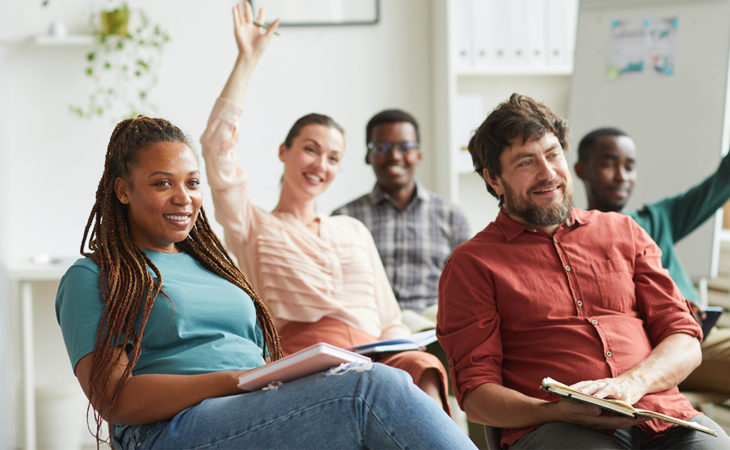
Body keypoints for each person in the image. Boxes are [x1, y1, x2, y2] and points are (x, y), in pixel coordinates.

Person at [54, 113, 475, 448]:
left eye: (192, 183)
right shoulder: (95, 276)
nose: (184, 197)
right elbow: (114, 398)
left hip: (252, 405)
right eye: (162, 183)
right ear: (123, 191)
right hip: (169, 430)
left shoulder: (215, 266)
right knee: (370, 390)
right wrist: (232, 380)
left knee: (395, 381)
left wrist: (274, 376)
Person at [436, 93, 730, 449]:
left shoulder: (624, 231)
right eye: (526, 163)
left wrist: (633, 383)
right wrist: (553, 411)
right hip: (557, 430)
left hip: (663, 417)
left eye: (552, 154)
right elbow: (476, 394)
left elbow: (684, 340)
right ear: (494, 180)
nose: (548, 174)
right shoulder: (471, 265)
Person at [200, 3, 450, 411]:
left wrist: (402, 342)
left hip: (378, 354)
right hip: (308, 363)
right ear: (284, 151)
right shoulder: (253, 227)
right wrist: (247, 61)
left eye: (333, 158)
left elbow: (388, 317)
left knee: (422, 368)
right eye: (310, 150)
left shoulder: (351, 229)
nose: (321, 165)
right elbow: (216, 150)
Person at [574, 127, 730, 395]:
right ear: (581, 170)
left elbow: (721, 183)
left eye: (630, 166)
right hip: (658, 351)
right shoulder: (572, 241)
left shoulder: (656, 219)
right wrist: (672, 308)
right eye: (609, 164)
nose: (622, 176)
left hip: (701, 335)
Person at [332, 109, 471, 315]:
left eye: (405, 147)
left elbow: (466, 288)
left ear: (418, 154)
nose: (394, 156)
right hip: (370, 332)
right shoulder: (344, 219)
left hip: (434, 330)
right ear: (368, 156)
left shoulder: (451, 216)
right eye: (381, 147)